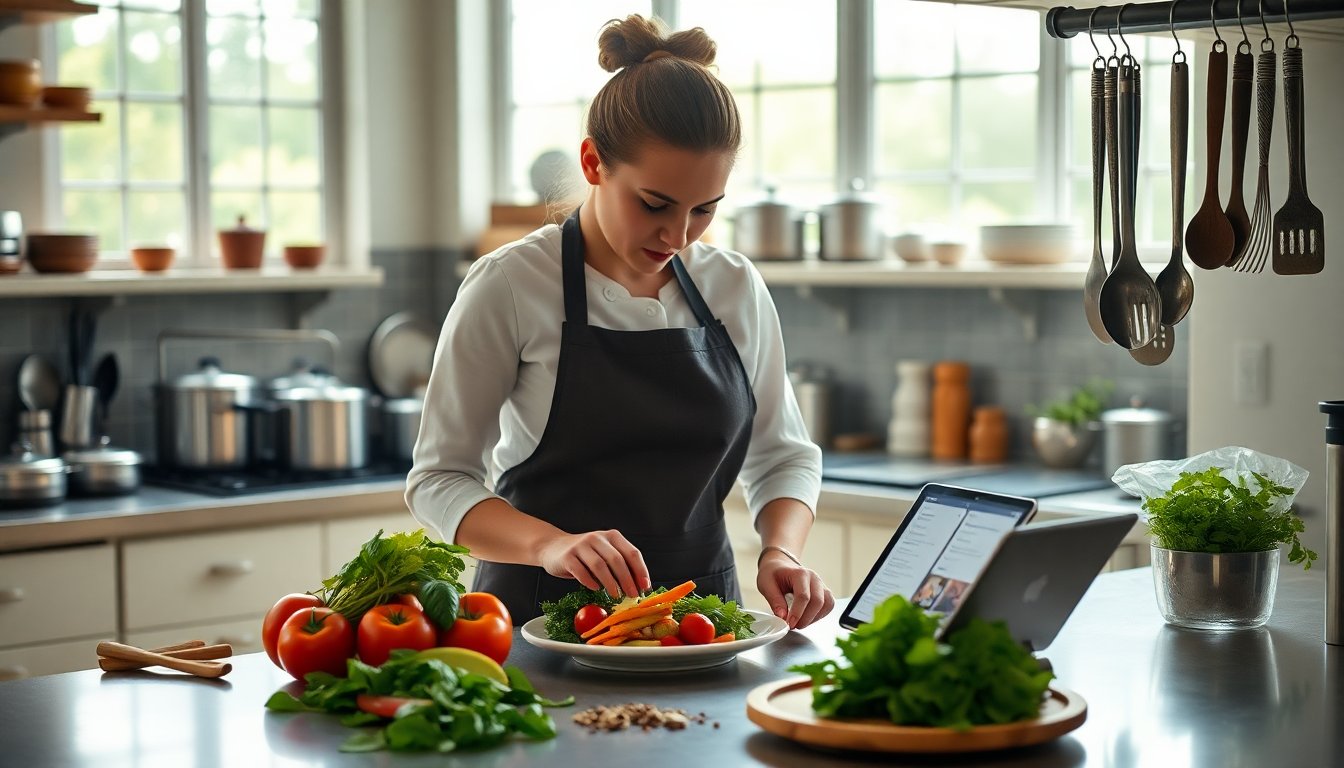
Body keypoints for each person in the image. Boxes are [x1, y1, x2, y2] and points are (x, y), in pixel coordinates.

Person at [406, 14, 833, 630]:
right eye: (654, 204)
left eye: (704, 210)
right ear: (593, 162)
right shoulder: (511, 284)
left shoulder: (733, 286)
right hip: (535, 623)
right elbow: (439, 481)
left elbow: (783, 455)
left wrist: (781, 549)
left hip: (700, 625)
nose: (677, 235)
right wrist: (549, 545)